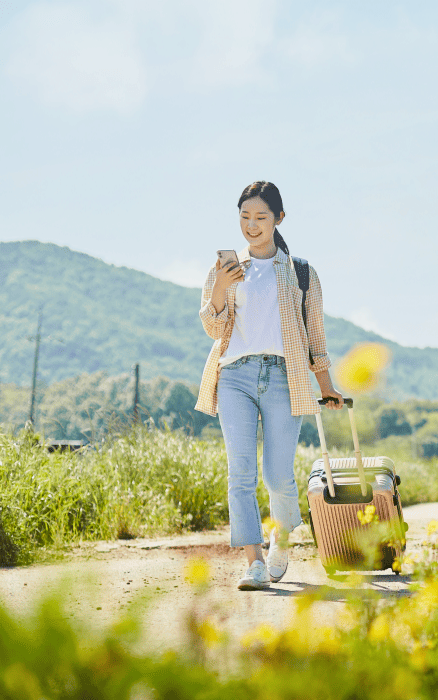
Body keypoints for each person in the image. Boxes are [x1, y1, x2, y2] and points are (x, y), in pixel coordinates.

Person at [194, 181, 344, 590]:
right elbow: (213, 327)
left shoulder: (300, 272)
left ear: (279, 219)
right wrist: (222, 289)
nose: (252, 225)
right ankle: (254, 563)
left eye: (261, 217)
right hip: (235, 378)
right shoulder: (222, 271)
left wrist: (327, 385)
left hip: (285, 377)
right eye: (245, 217)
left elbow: (316, 334)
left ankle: (282, 537)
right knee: (239, 472)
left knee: (278, 475)